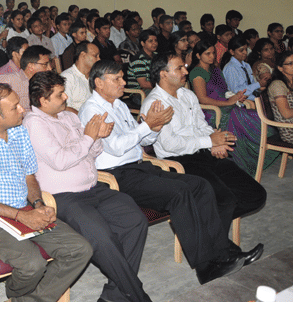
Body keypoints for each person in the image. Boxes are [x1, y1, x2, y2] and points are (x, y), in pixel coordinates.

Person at [78, 59, 257, 285]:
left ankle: (223, 253)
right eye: (117, 79)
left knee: (200, 185)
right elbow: (116, 147)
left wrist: (154, 128)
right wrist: (146, 125)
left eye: (123, 77)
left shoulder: (119, 105)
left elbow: (141, 141)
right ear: (99, 83)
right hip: (116, 175)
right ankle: (206, 267)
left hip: (139, 165)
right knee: (179, 192)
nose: (124, 82)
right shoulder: (91, 110)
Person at [0, 84, 93, 301]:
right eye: (15, 107)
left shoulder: (19, 132)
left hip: (23, 208)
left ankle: (26, 302)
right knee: (32, 265)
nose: (23, 110)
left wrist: (38, 204)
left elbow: (29, 176)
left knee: (80, 249)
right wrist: (21, 216)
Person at [25, 71, 152, 301]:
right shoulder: (34, 124)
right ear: (43, 101)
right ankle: (137, 296)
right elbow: (60, 161)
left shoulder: (68, 117)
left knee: (135, 221)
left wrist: (97, 137)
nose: (65, 97)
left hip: (93, 189)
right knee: (102, 238)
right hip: (63, 197)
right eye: (60, 94)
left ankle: (115, 295)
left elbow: (92, 154)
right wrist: (88, 138)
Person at [144, 54, 268, 244]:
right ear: (163, 74)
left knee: (255, 195)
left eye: (184, 67)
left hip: (202, 153)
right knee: (224, 199)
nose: (186, 71)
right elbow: (170, 144)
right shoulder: (156, 103)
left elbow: (201, 126)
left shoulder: (187, 94)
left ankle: (199, 223)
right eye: (179, 68)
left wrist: (216, 142)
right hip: (177, 161)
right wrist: (209, 142)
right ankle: (220, 250)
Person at [187, 41, 274, 174]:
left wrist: (234, 97)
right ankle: (241, 162)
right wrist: (228, 102)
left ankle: (258, 153)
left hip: (224, 103)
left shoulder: (214, 69)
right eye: (207, 54)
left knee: (251, 116)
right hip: (209, 109)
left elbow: (225, 90)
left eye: (213, 53)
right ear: (198, 55)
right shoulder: (197, 72)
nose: (212, 56)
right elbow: (202, 99)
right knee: (238, 115)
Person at [0, 45, 52, 111]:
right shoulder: (8, 81)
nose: (50, 69)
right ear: (31, 66)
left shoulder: (45, 83)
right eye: (45, 64)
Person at [222, 35, 271, 99]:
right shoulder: (230, 68)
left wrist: (259, 88)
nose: (245, 52)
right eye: (241, 50)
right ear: (232, 52)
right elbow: (235, 91)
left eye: (246, 49)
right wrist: (257, 84)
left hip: (251, 97)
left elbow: (250, 85)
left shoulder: (246, 65)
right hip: (240, 101)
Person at [60, 41, 100, 114]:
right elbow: (66, 108)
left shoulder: (95, 77)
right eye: (95, 56)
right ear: (83, 55)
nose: (99, 59)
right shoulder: (67, 77)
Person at [267, 51, 293, 140]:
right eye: (290, 63)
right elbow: (286, 114)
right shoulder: (278, 85)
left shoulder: (291, 82)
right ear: (280, 68)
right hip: (290, 130)